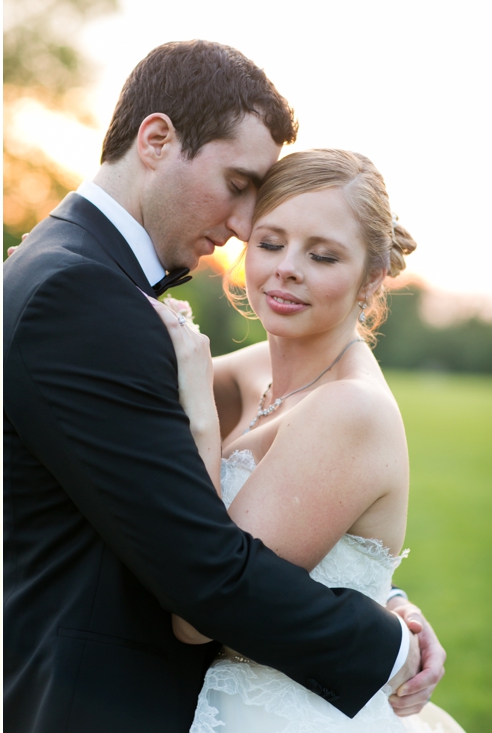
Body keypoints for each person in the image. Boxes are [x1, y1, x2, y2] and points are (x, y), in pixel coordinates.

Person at [2, 40, 444, 732]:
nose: (245, 233)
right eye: (244, 197)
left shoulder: (68, 266)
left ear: (372, 275)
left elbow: (224, 547)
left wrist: (382, 595)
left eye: (322, 253)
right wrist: (386, 635)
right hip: (94, 690)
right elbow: (205, 572)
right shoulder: (85, 294)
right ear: (156, 139)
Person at [144, 148, 463, 731]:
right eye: (269, 243)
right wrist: (387, 596)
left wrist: (199, 416)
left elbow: (201, 614)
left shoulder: (350, 408)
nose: (287, 268)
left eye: (322, 255)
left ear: (372, 277)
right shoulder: (250, 370)